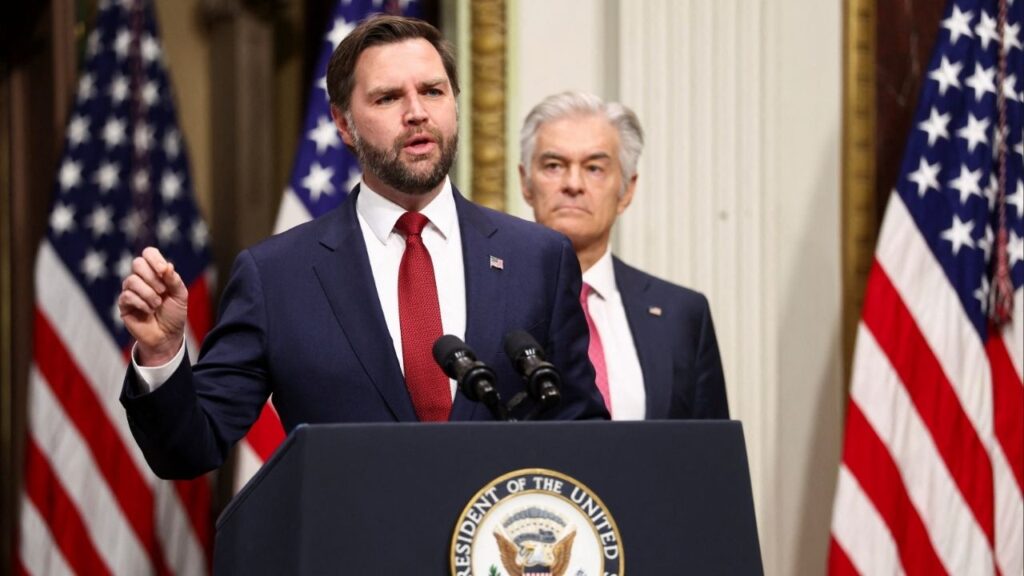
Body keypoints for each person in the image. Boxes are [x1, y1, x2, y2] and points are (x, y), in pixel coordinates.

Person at [118, 17, 608, 480]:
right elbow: (190, 449)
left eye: (433, 92)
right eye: (388, 97)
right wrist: (162, 353)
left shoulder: (539, 259)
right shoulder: (278, 275)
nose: (416, 112)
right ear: (344, 125)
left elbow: (584, 438)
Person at [519, 91, 729, 420]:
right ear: (526, 183)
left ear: (627, 190)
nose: (573, 184)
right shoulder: (491, 304)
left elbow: (708, 458)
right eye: (554, 165)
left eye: (594, 168)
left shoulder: (682, 315)